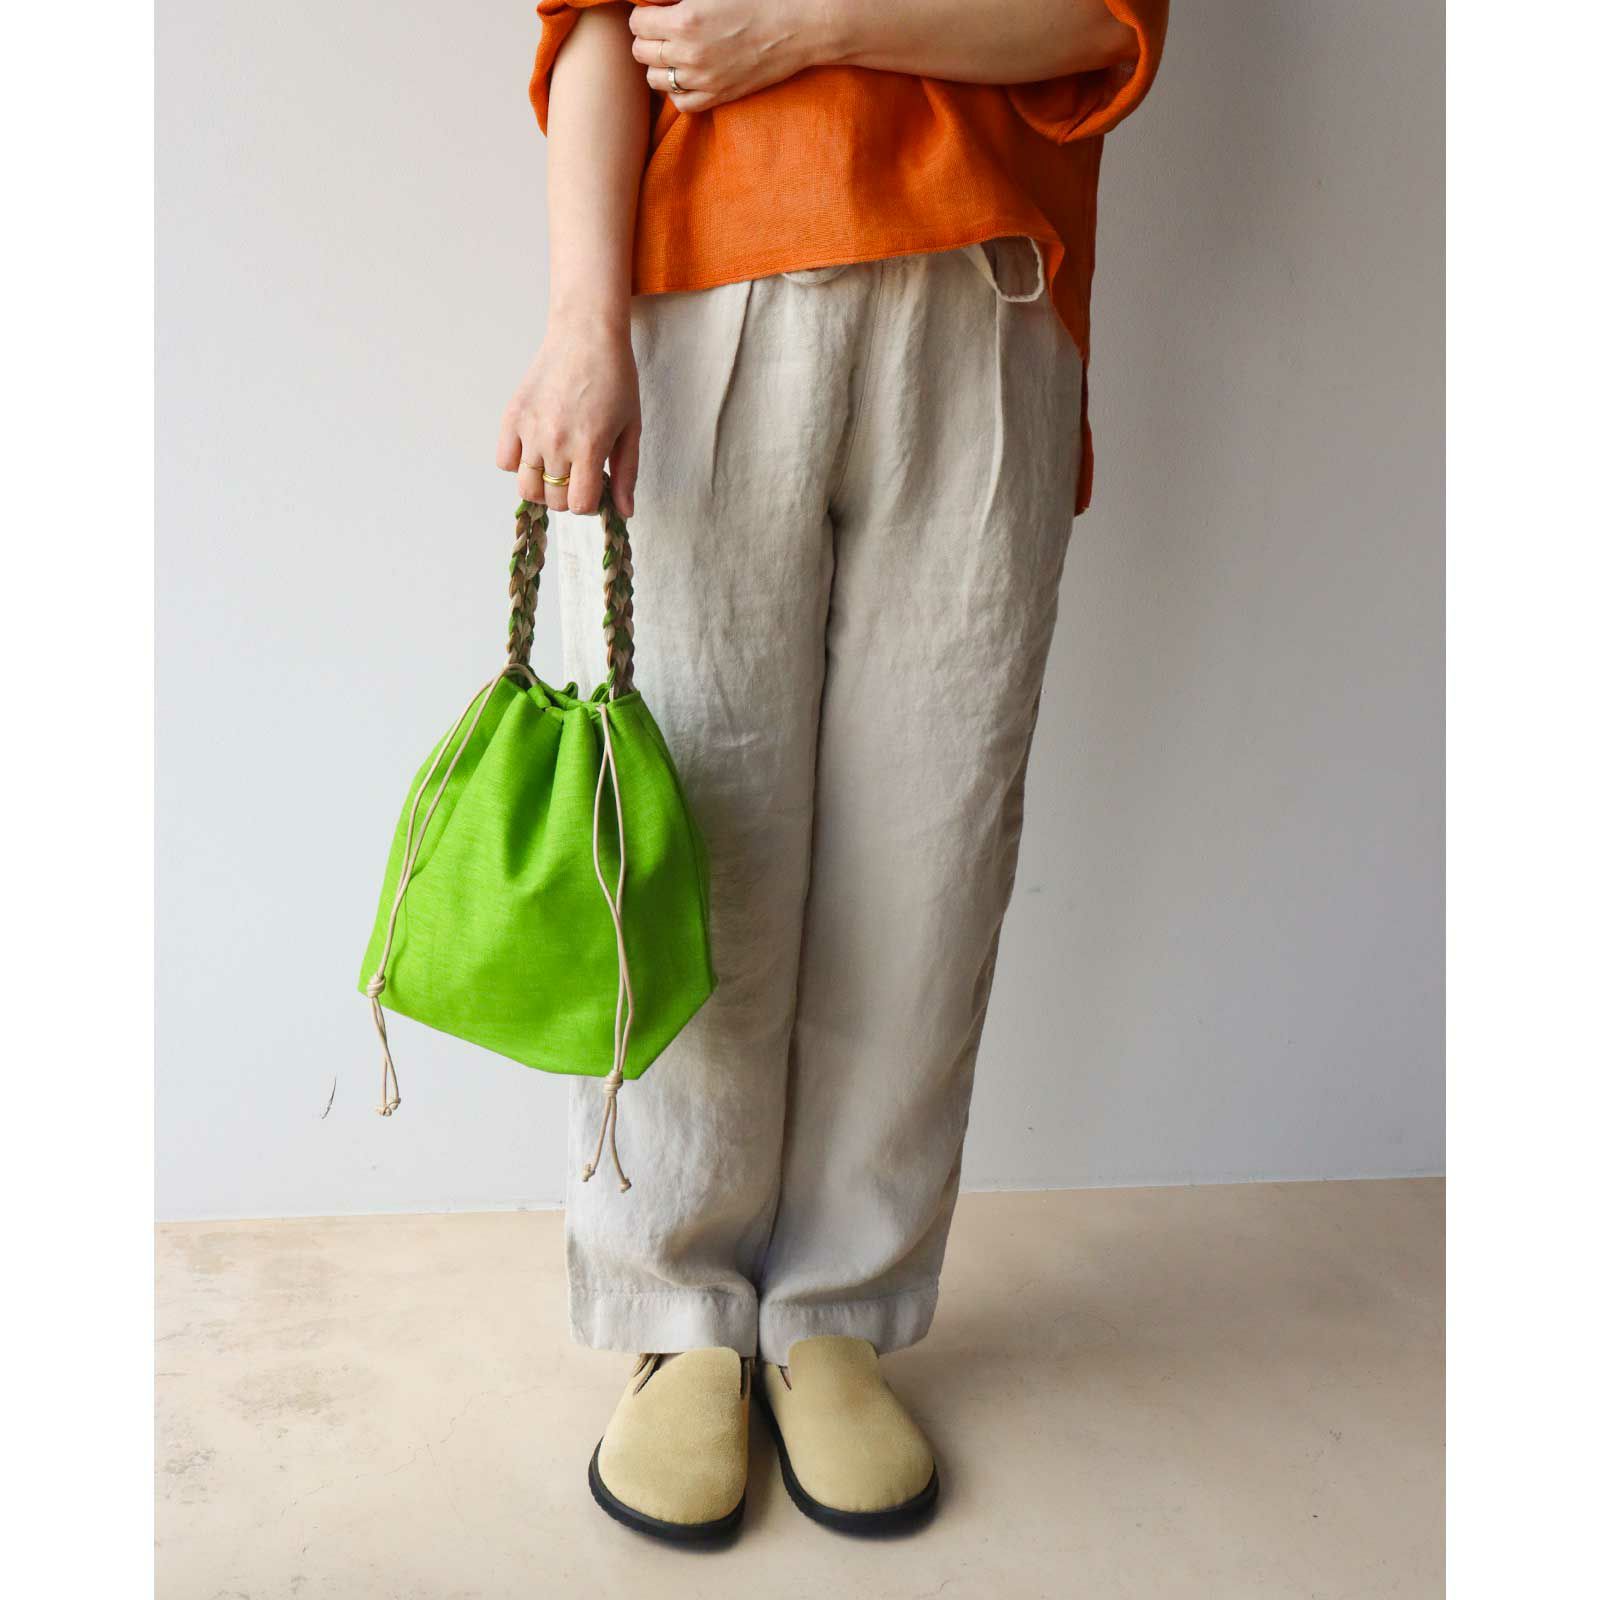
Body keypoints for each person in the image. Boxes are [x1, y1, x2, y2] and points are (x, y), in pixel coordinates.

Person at [497, 0, 1168, 1541]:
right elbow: (594, 28)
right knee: (698, 832)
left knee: (931, 850)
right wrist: (583, 322)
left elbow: (1101, 21)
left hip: (985, 299)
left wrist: (803, 24)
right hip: (704, 298)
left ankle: (838, 1311)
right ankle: (677, 1314)